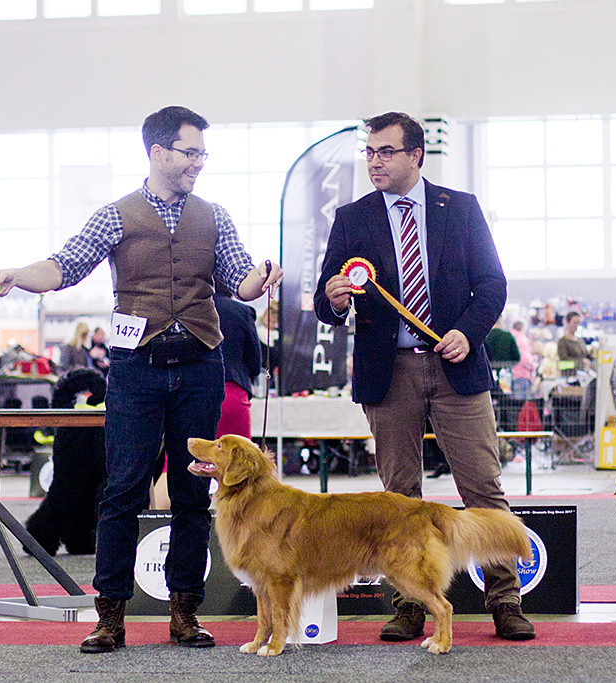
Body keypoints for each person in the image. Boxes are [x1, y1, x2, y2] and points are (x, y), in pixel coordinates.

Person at [0, 105, 282, 654]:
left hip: (199, 364)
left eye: (202, 154)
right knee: (122, 490)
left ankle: (184, 613)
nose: (198, 163)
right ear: (159, 151)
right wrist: (16, 276)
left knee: (192, 492)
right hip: (135, 369)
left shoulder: (214, 217)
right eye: (190, 153)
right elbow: (65, 266)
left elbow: (240, 279)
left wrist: (259, 280)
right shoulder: (115, 214)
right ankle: (110, 617)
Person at [314, 111, 534, 642]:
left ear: (416, 155)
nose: (374, 161)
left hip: (457, 366)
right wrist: (334, 296)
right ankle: (410, 604)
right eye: (369, 152)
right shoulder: (351, 217)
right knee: (398, 496)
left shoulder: (460, 209)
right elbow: (327, 298)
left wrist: (468, 332)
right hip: (387, 372)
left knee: (483, 487)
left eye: (385, 151)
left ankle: (505, 599)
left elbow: (492, 285)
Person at [213, 283, 261, 439]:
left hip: (187, 394)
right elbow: (255, 361)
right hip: (231, 392)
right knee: (238, 460)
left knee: (184, 460)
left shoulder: (186, 310)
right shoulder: (242, 312)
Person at [557, 311, 593, 376]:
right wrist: (581, 363)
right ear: (567, 322)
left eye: (578, 323)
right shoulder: (562, 341)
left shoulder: (580, 340)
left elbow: (585, 355)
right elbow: (563, 363)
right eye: (574, 323)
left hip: (583, 376)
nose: (577, 325)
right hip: (570, 376)